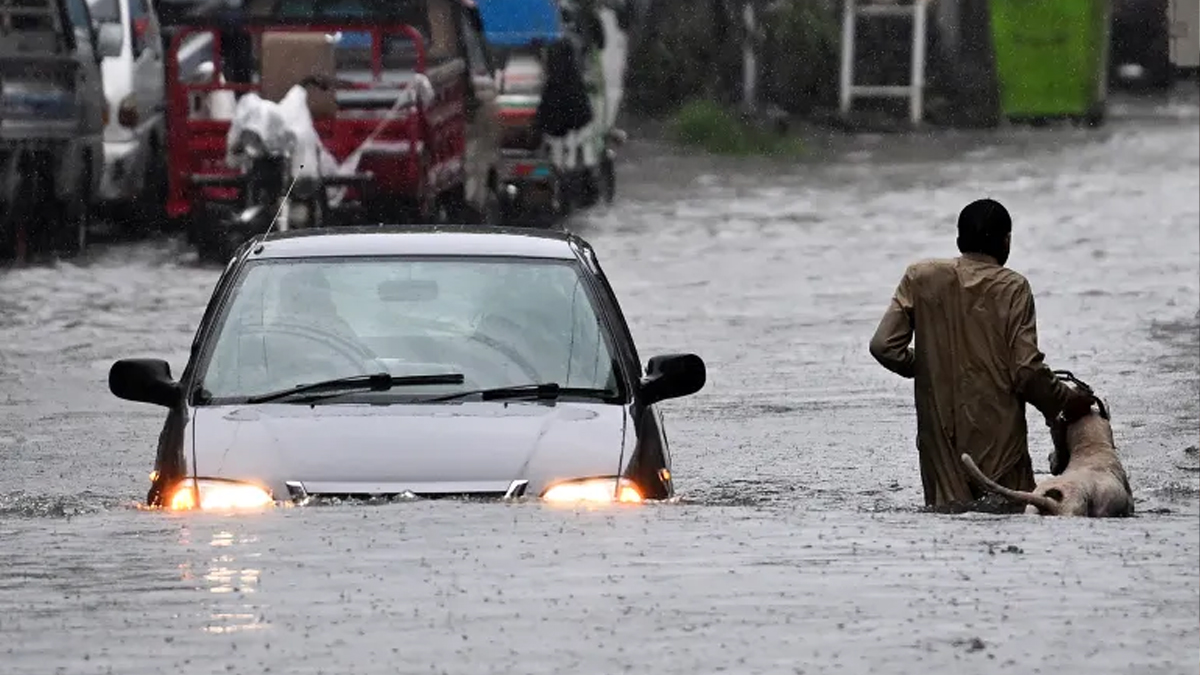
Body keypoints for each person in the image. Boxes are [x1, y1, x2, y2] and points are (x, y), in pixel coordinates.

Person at [868, 198, 1095, 511]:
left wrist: (932, 365)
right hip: (1001, 449)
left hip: (940, 449)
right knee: (1009, 520)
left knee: (948, 525)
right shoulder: (1013, 287)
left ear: (960, 239)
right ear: (1006, 242)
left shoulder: (920, 277)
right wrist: (1070, 401)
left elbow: (883, 346)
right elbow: (1027, 373)